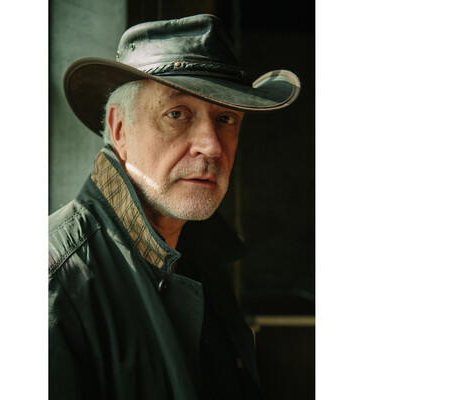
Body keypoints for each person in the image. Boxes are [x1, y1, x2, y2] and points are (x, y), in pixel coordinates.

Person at [49, 14, 300, 400]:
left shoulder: (200, 259)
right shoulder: (56, 283)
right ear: (119, 130)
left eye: (226, 118)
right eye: (177, 114)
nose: (211, 145)